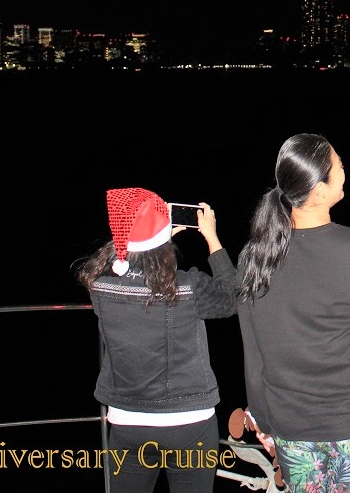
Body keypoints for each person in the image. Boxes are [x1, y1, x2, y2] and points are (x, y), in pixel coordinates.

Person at [236, 133, 350, 493]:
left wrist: (263, 421)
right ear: (318, 191)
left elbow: (254, 356)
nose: (346, 171)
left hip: (291, 428)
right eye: (340, 165)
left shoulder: (254, 259)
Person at [74, 187, 239, 493]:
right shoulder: (189, 286)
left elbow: (132, 271)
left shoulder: (99, 286)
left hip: (129, 425)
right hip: (190, 426)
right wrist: (212, 238)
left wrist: (155, 240)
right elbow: (232, 297)